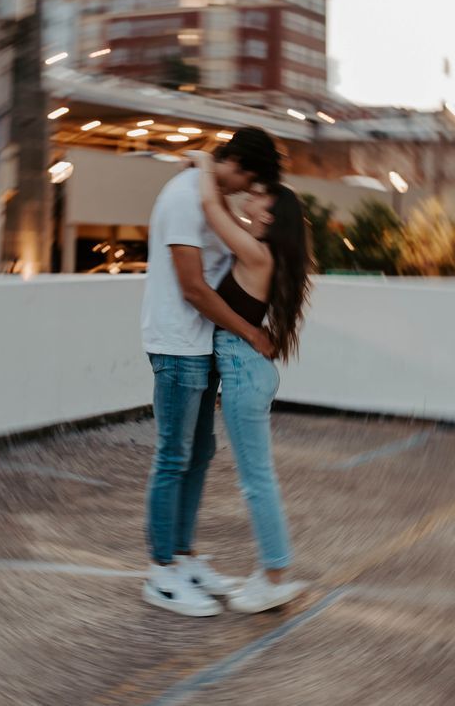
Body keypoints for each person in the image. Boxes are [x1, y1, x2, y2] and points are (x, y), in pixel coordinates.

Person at [141, 126, 281, 617]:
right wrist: (248, 331)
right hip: (178, 345)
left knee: (199, 452)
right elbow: (193, 289)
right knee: (173, 455)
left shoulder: (204, 194)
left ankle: (182, 556)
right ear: (237, 163)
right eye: (248, 182)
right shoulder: (183, 198)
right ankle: (161, 572)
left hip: (201, 348)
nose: (245, 192)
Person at [192, 148, 311, 614]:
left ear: (271, 214)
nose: (250, 201)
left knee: (256, 481)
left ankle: (274, 575)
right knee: (257, 478)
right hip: (247, 369)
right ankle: (272, 573)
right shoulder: (259, 250)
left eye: (259, 197)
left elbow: (209, 208)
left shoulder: (256, 252)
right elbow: (221, 215)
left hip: (244, 371)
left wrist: (204, 163)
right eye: (253, 193)